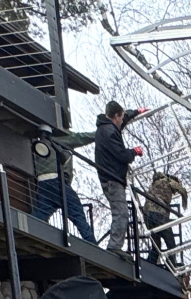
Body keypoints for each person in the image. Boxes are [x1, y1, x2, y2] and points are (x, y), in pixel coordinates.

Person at [29, 137, 94, 241]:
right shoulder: (59, 139)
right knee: (76, 211)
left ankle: (26, 229)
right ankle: (91, 243)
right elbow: (81, 138)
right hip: (56, 181)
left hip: (42, 183)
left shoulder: (40, 142)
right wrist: (99, 133)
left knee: (41, 213)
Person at [94, 101, 135, 252]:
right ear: (116, 116)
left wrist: (135, 112)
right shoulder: (110, 132)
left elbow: (122, 120)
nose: (122, 119)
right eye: (122, 116)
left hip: (109, 178)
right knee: (121, 213)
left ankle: (114, 246)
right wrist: (134, 152)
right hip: (113, 179)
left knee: (120, 212)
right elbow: (122, 155)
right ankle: (114, 247)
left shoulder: (104, 128)